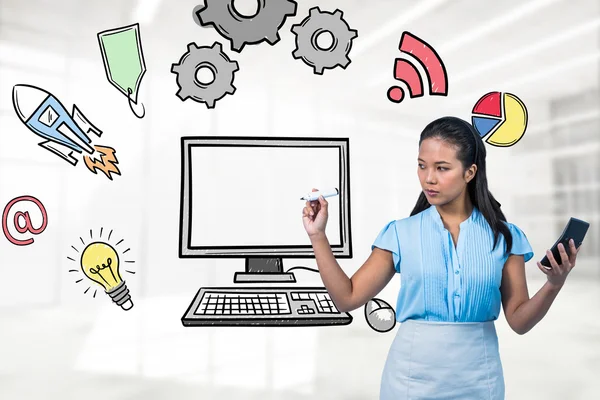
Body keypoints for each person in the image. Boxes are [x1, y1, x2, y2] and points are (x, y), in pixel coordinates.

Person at [301, 116, 582, 399]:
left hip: (479, 382)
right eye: (422, 166)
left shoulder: (505, 238)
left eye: (442, 168)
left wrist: (553, 284)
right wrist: (318, 236)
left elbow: (519, 321)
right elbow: (346, 298)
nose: (428, 178)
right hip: (409, 381)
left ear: (470, 172)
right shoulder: (401, 233)